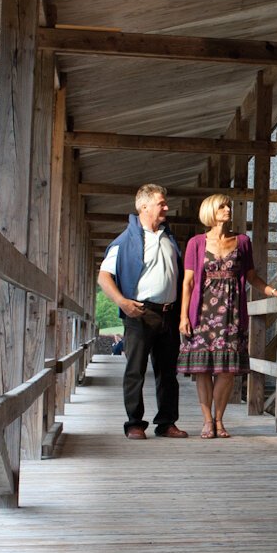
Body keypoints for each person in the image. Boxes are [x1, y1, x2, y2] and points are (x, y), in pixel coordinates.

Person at [179, 192, 277, 437]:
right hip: (202, 313)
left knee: (227, 370)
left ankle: (219, 420)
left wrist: (273, 291)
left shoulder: (242, 241)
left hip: (232, 313)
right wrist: (183, 317)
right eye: (222, 207)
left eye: (229, 206)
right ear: (211, 211)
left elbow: (251, 276)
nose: (228, 210)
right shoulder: (196, 243)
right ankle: (207, 421)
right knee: (202, 369)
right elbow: (188, 283)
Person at [98, 184, 188, 439]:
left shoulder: (169, 238)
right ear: (144, 206)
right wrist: (123, 303)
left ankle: (166, 423)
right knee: (135, 370)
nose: (167, 207)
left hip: (168, 313)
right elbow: (104, 277)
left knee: (168, 372)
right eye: (162, 203)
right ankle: (134, 423)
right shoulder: (124, 241)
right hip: (139, 312)